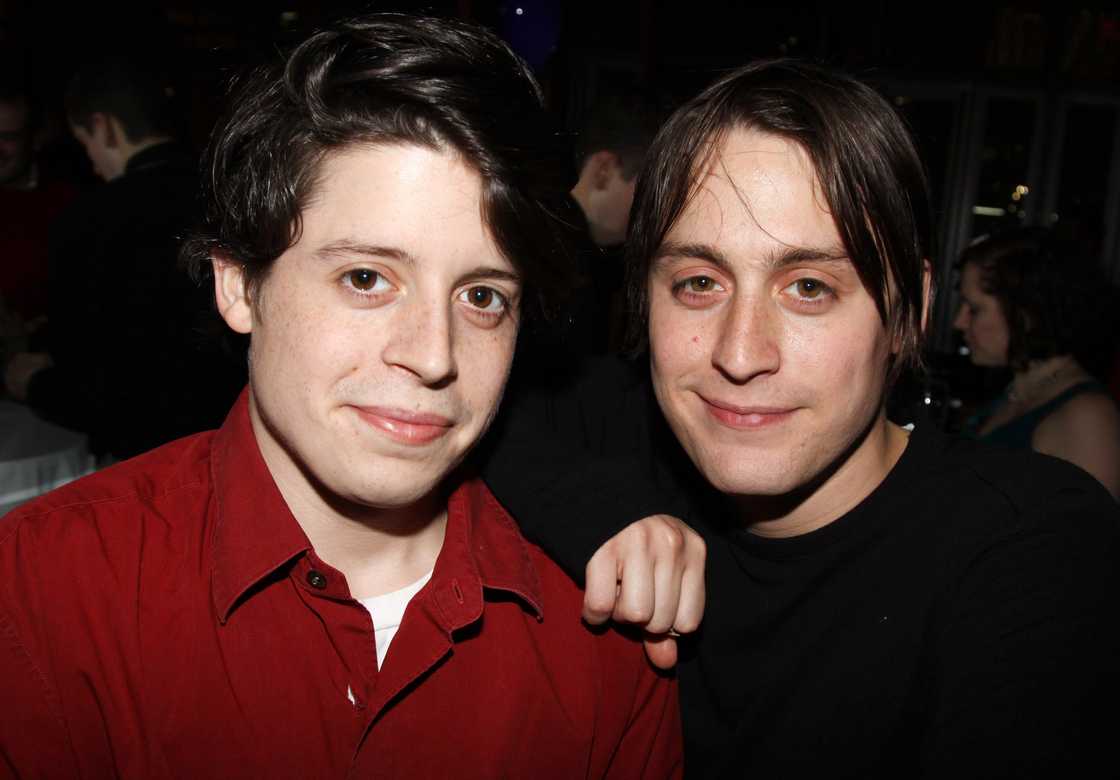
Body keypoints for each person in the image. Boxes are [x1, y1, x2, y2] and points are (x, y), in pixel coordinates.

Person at [0, 15, 681, 778]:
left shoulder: (604, 635)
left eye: (483, 296)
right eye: (366, 279)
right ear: (239, 283)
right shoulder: (42, 595)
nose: (432, 355)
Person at [483, 59, 1120, 776]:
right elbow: (475, 413)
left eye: (809, 287)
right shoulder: (613, 434)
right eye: (698, 283)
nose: (741, 352)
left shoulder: (1025, 545)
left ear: (910, 308)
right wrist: (597, 509)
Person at [4, 56, 242, 459]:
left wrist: (32, 381)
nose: (93, 165)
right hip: (231, 439)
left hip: (142, 458)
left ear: (103, 127)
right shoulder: (229, 198)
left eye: (86, 145)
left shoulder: (90, 220)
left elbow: (97, 384)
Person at [953, 228, 1120, 498]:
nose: (959, 322)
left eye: (974, 309)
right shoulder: (1018, 391)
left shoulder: (1087, 417)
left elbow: (1089, 534)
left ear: (1026, 312)